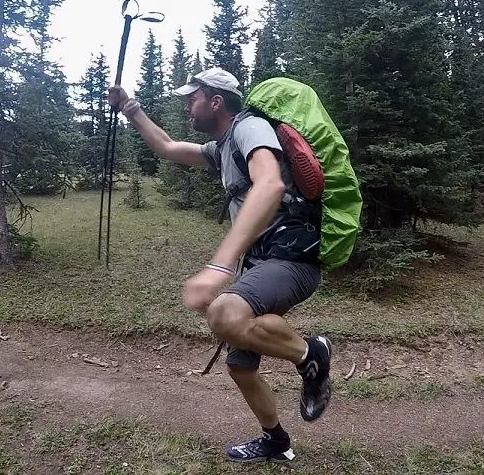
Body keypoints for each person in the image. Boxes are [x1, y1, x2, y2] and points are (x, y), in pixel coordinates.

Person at [107, 66, 332, 464]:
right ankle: (276, 443)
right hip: (263, 264)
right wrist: (130, 108)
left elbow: (270, 184)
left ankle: (311, 354)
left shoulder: (250, 128)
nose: (187, 108)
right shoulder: (222, 146)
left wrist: (220, 266)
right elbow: (167, 147)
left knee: (225, 312)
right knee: (240, 364)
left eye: (191, 99)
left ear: (215, 101)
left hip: (291, 257)